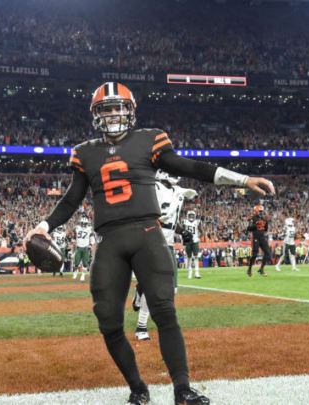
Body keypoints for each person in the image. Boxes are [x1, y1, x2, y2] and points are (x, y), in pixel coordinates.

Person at [24, 82, 275, 405]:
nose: (113, 114)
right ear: (96, 114)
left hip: (147, 234)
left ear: (130, 111)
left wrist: (242, 180)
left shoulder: (149, 139)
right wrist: (43, 225)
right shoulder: (84, 152)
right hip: (110, 241)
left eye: (118, 107)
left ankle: (182, 390)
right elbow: (72, 199)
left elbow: (190, 167)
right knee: (108, 320)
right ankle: (138, 388)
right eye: (106, 108)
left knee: (164, 311)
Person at [133, 170, 197, 341]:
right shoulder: (153, 188)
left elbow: (172, 222)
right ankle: (141, 326)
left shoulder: (178, 192)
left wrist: (183, 232)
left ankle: (140, 289)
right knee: (153, 287)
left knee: (171, 289)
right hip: (151, 241)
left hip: (168, 244)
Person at [246, 205, 271, 277]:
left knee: (267, 252)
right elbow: (248, 228)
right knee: (254, 254)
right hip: (256, 237)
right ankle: (249, 270)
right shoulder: (252, 218)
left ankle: (261, 269)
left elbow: (266, 229)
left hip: (262, 237)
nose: (261, 212)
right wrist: (256, 225)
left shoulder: (264, 219)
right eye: (260, 211)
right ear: (256, 211)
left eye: (262, 211)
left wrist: (266, 223)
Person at [182, 210, 202, 279]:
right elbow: (182, 231)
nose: (191, 217)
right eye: (190, 215)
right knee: (189, 257)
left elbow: (201, 231)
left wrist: (198, 237)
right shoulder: (184, 222)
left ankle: (197, 272)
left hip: (195, 240)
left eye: (192, 215)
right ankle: (190, 271)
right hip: (188, 241)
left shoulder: (197, 222)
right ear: (187, 216)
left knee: (196, 256)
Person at [72, 217, 93, 281]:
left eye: (85, 223)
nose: (83, 225)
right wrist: (73, 240)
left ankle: (83, 275)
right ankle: (75, 272)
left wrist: (91, 244)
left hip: (86, 247)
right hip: (78, 247)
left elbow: (92, 236)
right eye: (82, 223)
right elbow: (74, 234)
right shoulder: (77, 228)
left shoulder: (89, 229)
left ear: (87, 223)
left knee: (85, 263)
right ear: (80, 223)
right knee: (76, 262)